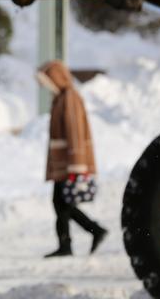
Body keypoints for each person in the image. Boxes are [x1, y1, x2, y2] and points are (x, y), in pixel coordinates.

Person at [37, 60, 107, 258]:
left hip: (69, 164)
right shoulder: (60, 97)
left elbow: (74, 132)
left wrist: (77, 165)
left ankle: (75, 241)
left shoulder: (69, 97)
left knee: (62, 203)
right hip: (63, 163)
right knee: (62, 203)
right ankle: (88, 234)